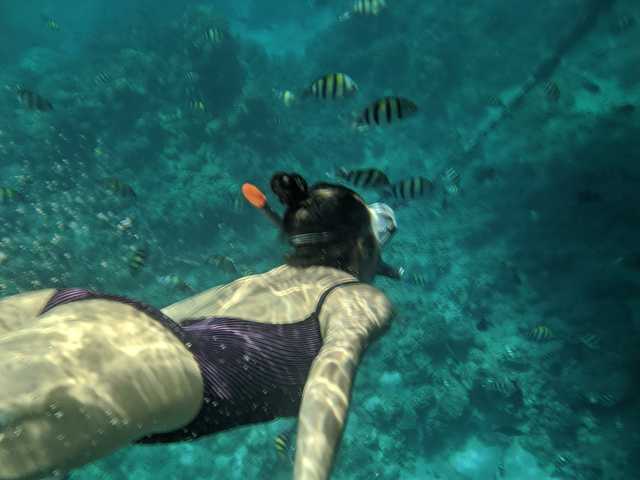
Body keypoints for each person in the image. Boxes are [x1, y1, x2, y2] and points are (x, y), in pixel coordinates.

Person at [0, 172, 396, 480]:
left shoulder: (258, 283)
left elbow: (147, 326)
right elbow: (331, 376)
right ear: (362, 248)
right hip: (148, 367)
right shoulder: (356, 297)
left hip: (78, 311)